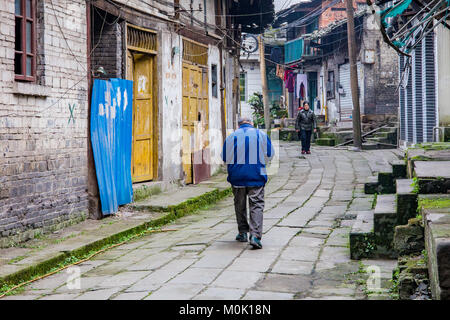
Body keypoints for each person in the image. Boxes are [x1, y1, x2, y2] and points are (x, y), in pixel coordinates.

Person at [221, 117, 275, 249]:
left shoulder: (231, 137)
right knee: (256, 204)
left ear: (239, 125)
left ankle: (243, 233)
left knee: (239, 204)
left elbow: (224, 157)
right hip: (256, 175)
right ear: (252, 123)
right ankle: (255, 236)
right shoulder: (260, 134)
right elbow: (270, 154)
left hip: (237, 177)